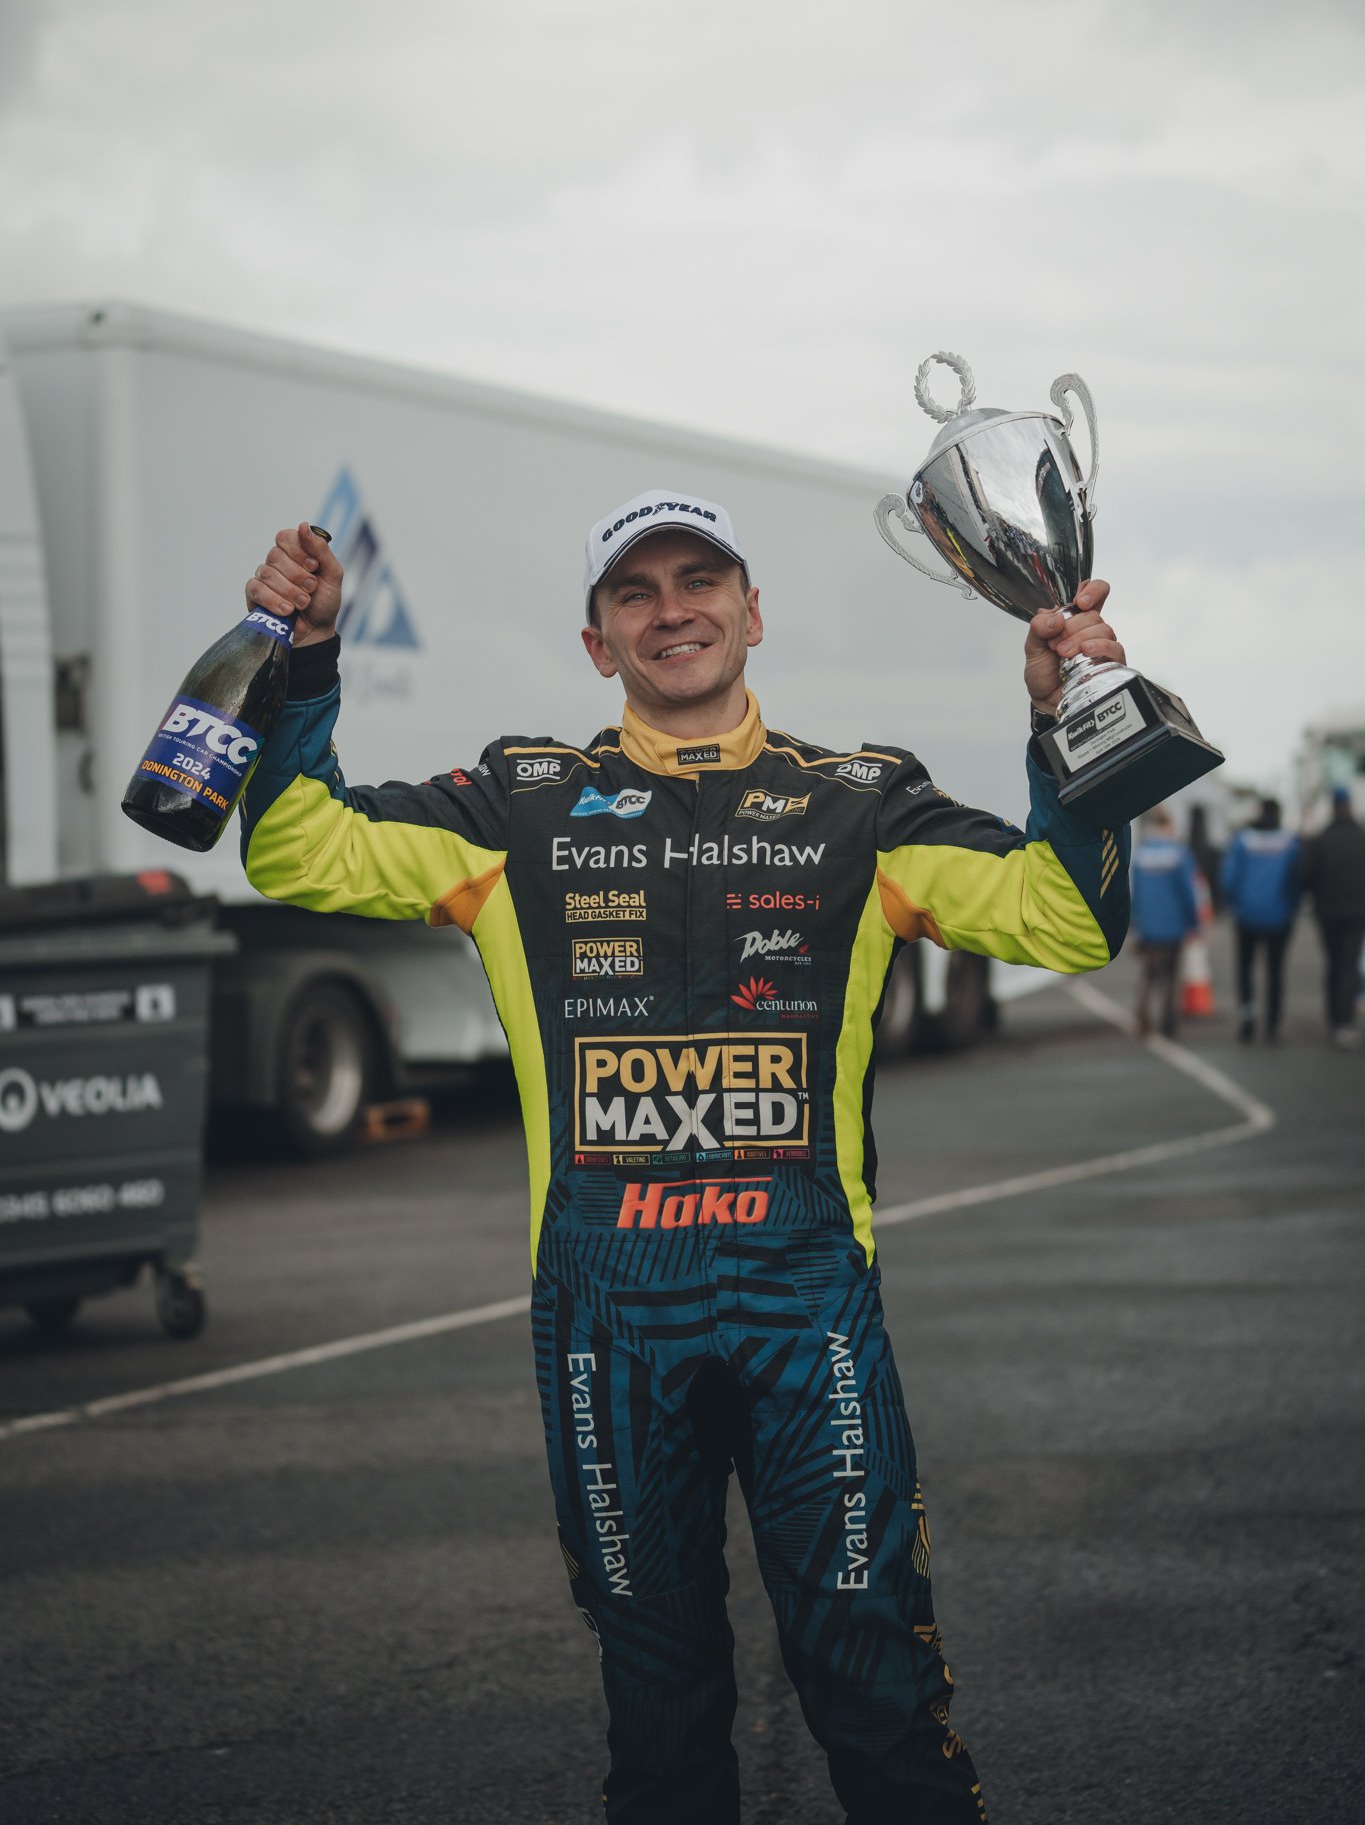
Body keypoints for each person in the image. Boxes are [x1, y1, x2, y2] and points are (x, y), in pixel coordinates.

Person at [239, 494, 1132, 1825]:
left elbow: (1063, 919)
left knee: (876, 1687)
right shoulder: (511, 806)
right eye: (636, 593)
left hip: (805, 1306)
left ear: (752, 613)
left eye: (699, 580)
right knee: (659, 1712)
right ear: (599, 643)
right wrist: (301, 662)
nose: (673, 611)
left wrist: (1068, 728)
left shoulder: (862, 802)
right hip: (608, 1322)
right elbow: (293, 846)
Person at [1221, 799, 1301, 1044]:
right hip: (1279, 916)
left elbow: (1228, 878)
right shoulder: (1290, 843)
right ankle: (1273, 1025)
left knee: (1246, 970)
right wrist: (1291, 907)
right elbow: (1297, 880)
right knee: (1275, 971)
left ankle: (1248, 1018)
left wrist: (1233, 903)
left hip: (1247, 916)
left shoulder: (1243, 840)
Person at [1300, 788, 1365, 1049]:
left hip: (1327, 912)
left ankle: (1334, 1017)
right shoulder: (1361, 838)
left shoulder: (1321, 839)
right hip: (1358, 912)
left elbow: (1305, 876)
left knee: (1334, 963)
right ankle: (1345, 1021)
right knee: (1349, 965)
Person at [1128, 808, 1201, 1037]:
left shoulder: (1140, 854)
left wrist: (1136, 922)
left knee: (1149, 973)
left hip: (1149, 926)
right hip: (1173, 924)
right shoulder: (1179, 853)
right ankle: (1169, 1020)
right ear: (1168, 825)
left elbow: (1134, 893)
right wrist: (1194, 923)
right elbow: (1188, 892)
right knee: (1171, 974)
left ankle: (1142, 1016)